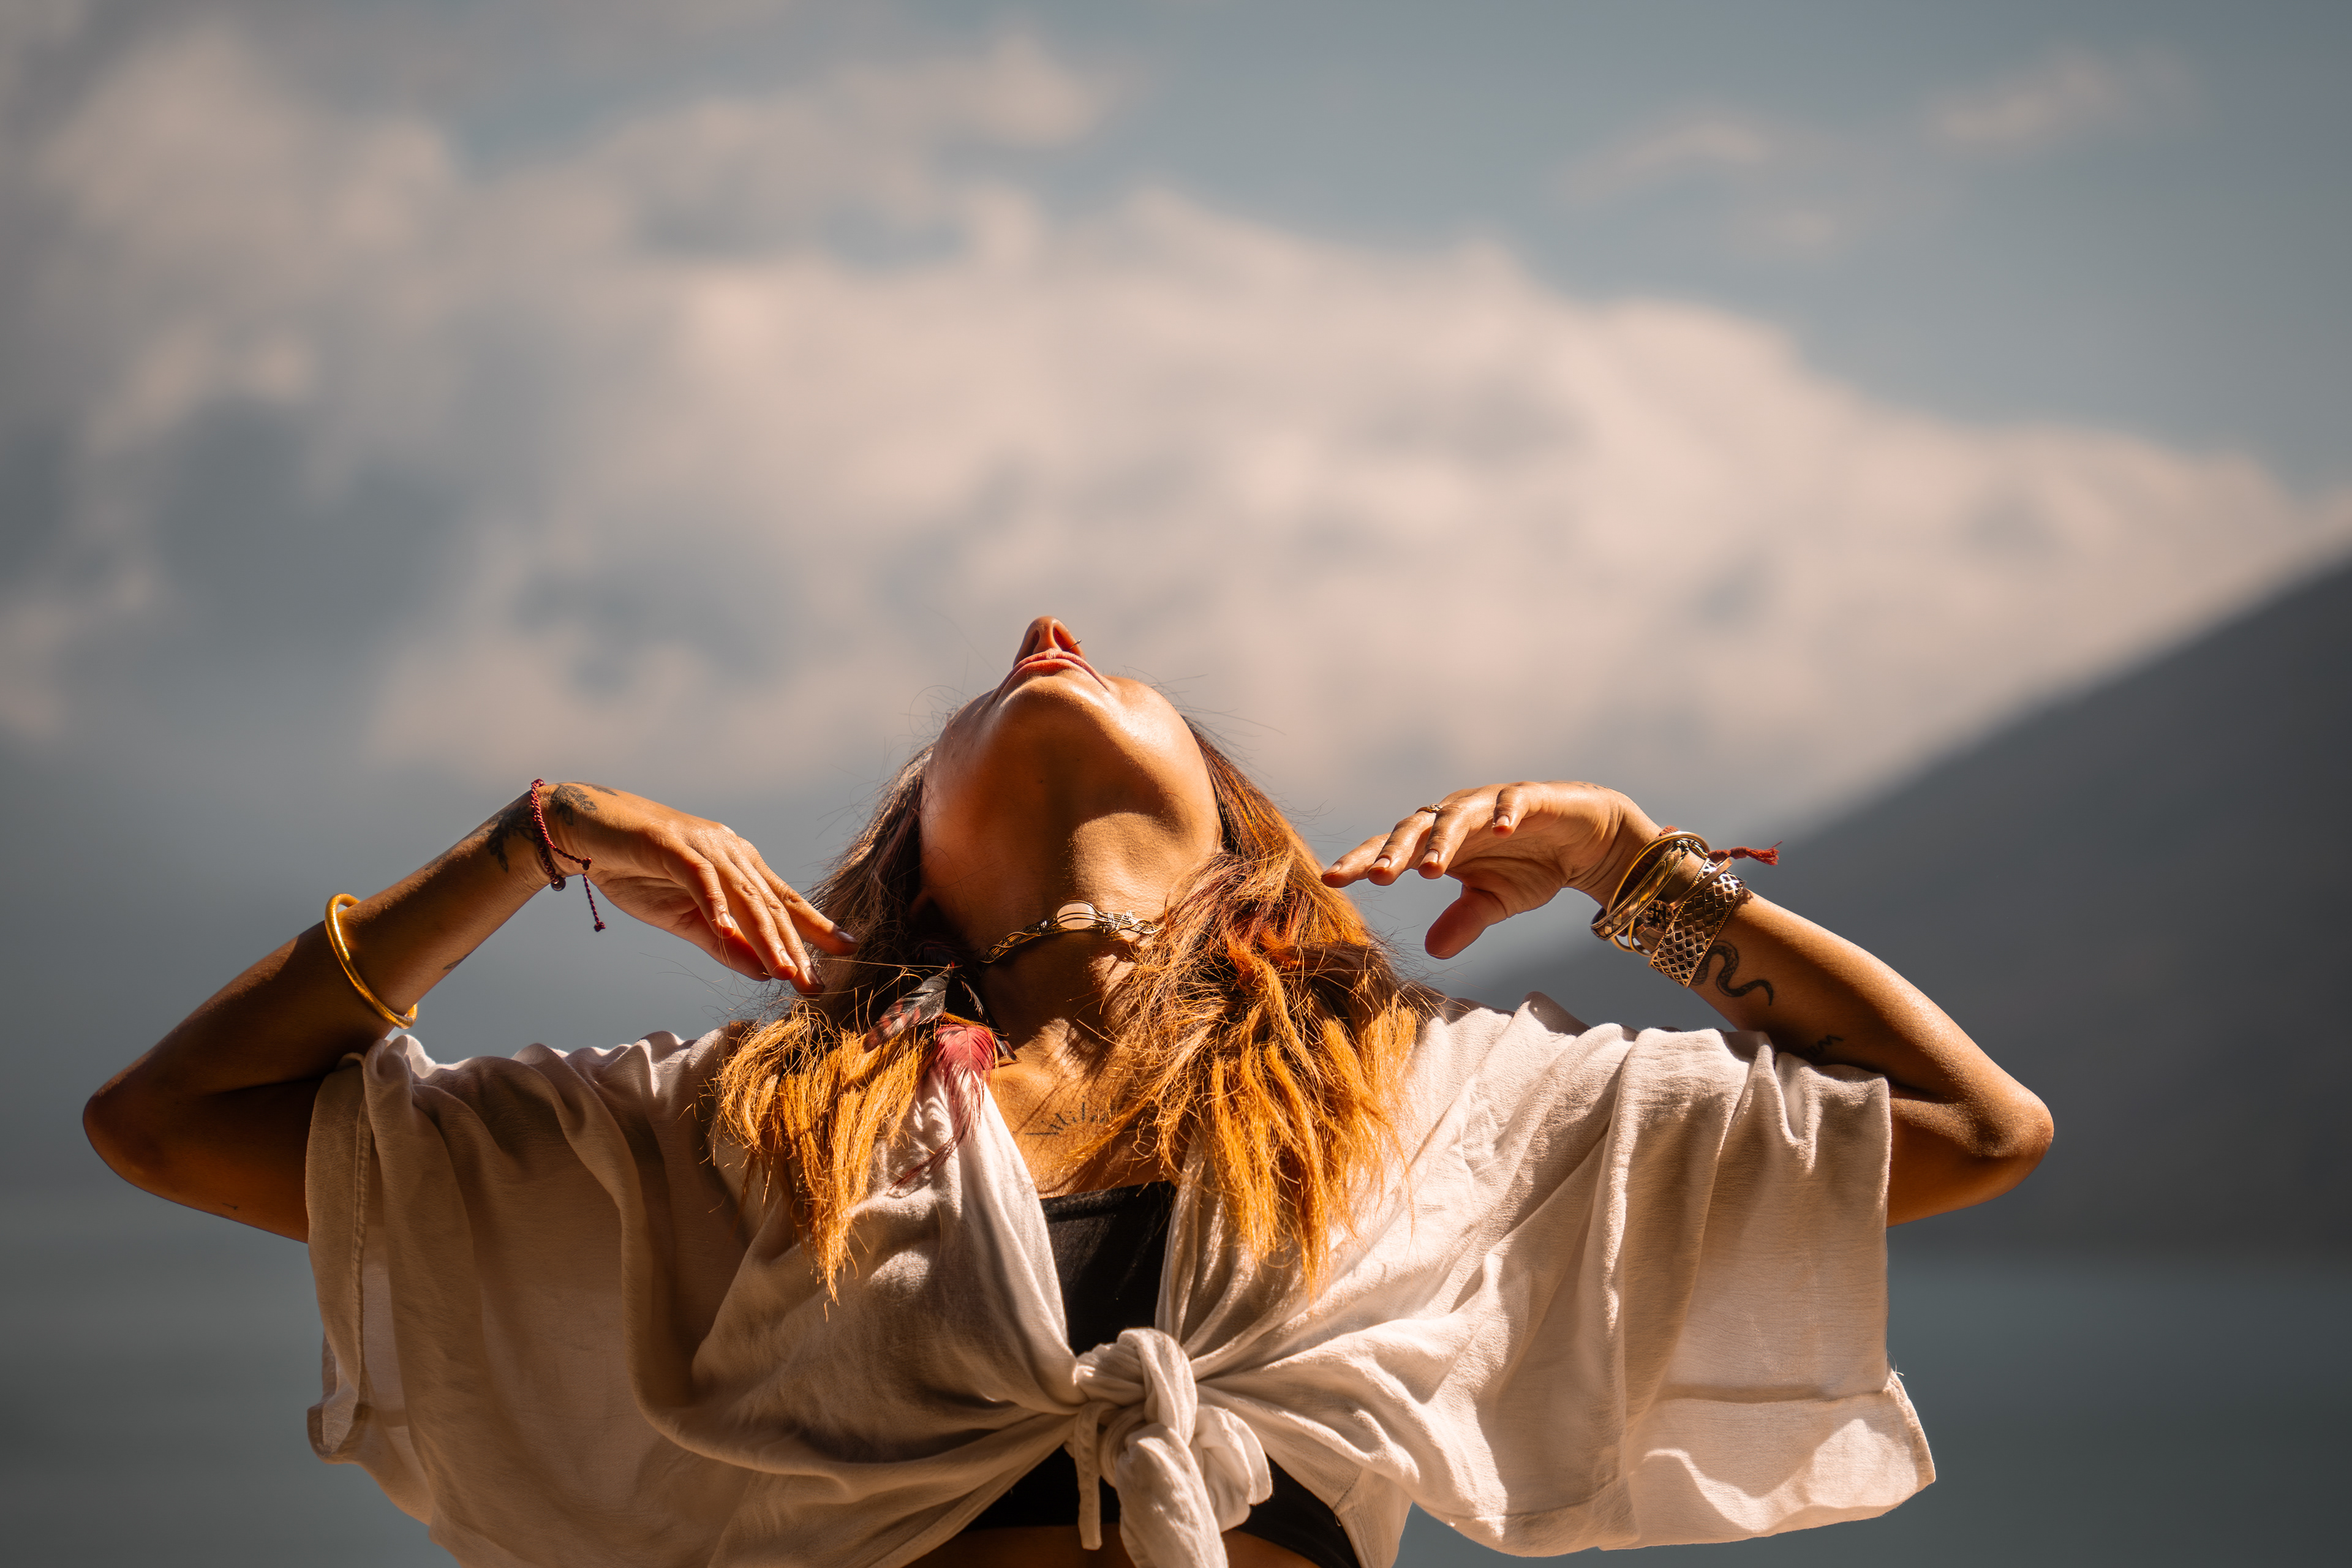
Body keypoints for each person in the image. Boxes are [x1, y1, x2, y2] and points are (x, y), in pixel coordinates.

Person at [85, 615, 2051, 1568]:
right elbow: (168, 1125)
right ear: (910, 850)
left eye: (1116, 673)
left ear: (1239, 843)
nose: (1045, 632)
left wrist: (1639, 870)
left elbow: (1972, 1132)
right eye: (986, 691)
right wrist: (520, 847)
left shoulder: (1433, 1105)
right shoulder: (740, 1116)